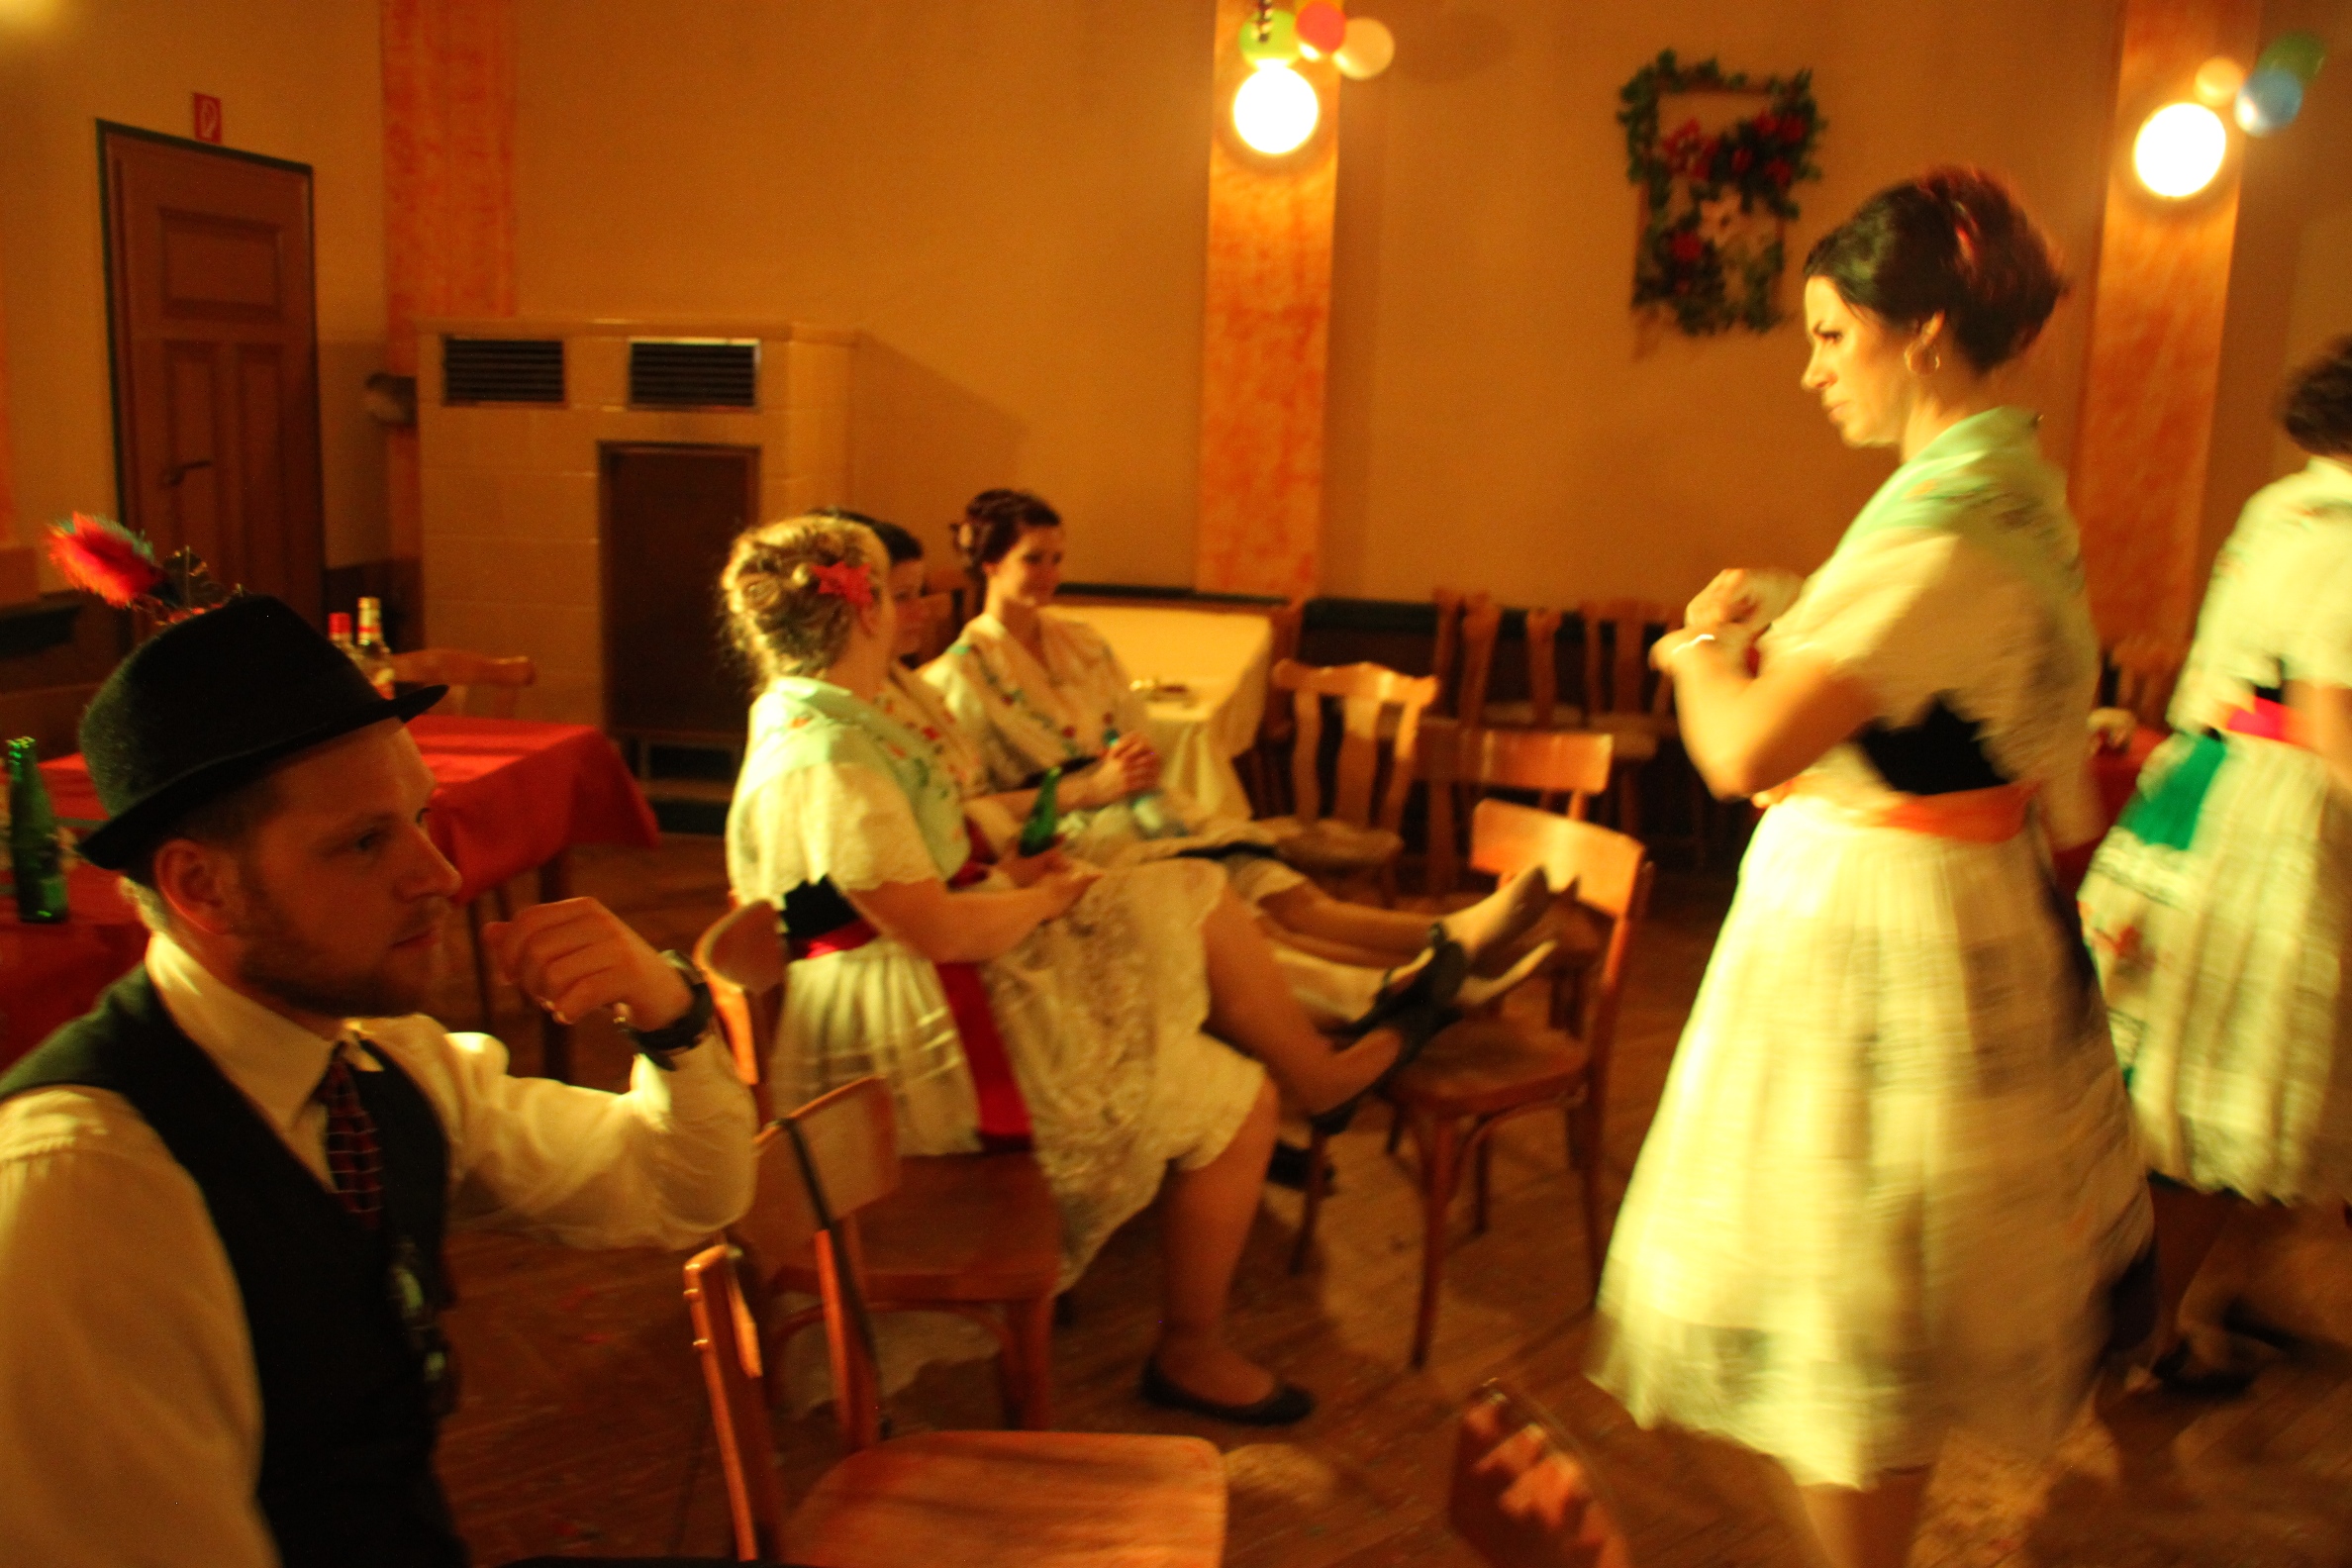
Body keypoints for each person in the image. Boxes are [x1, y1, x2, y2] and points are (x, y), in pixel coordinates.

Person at [1588, 169, 2151, 1568]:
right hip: (1942, 896)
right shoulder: (2006, 494)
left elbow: (1742, 749)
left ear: (1928, 333)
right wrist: (1797, 611)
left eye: (1834, 335)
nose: (1812, 370)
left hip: (1873, 932)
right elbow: (1944, 696)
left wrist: (1695, 650)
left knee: (1845, 1312)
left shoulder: (1944, 523)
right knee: (1867, 1304)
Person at [0, 596, 757, 1568]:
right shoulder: (91, 1189)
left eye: (420, 818)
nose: (439, 874)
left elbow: (684, 1190)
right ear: (201, 887)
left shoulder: (379, 1063)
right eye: (365, 842)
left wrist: (669, 1011)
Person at [721, 514, 1463, 1424]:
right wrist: (1042, 900)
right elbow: (936, 930)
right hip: (906, 1049)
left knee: (1184, 894)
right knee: (1233, 1089)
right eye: (898, 593)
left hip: (910, 988)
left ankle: (1312, 1067)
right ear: (867, 609)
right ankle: (1194, 1336)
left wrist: (1017, 872)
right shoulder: (828, 754)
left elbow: (910, 878)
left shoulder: (823, 714)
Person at [854, 507, 1549, 1030]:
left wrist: (1134, 756)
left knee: (1291, 897)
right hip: (1079, 832)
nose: (1050, 574)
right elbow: (982, 806)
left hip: (1142, 807)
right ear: (989, 564)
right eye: (1033, 559)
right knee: (1260, 927)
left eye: (1058, 558)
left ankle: (1454, 941)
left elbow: (1134, 722)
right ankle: (1425, 984)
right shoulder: (957, 677)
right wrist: (1086, 788)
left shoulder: (1081, 641)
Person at [2077, 338, 2352, 1391]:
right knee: (2226, 1092)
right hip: (2277, 824)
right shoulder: (2347, 531)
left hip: (2202, 790)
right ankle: (2143, 1335)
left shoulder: (2281, 507)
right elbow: (2330, 713)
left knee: (2180, 1084)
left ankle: (2192, 1303)